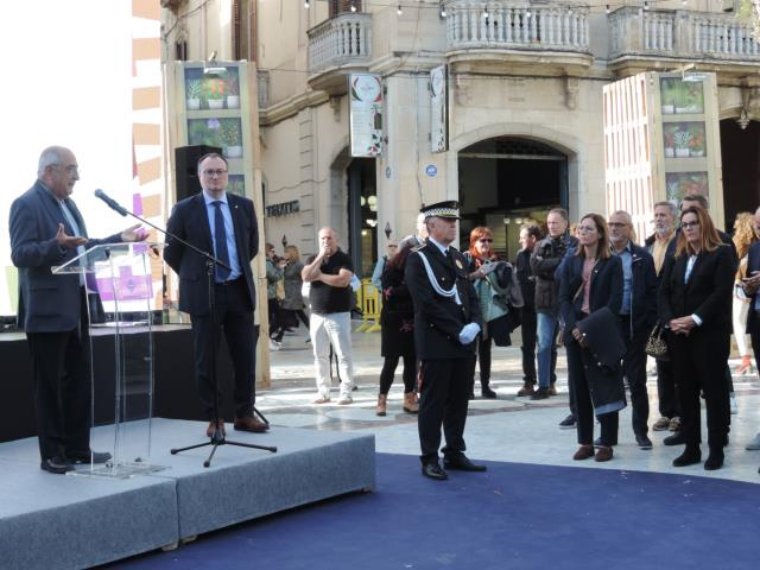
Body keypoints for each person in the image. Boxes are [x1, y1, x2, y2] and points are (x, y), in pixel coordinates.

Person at [9, 146, 145, 474]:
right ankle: (53, 454)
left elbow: (80, 247)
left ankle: (78, 449)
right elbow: (20, 255)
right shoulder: (25, 204)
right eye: (71, 170)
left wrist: (117, 238)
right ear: (49, 171)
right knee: (51, 386)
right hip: (46, 311)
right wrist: (55, 245)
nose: (77, 177)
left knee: (78, 382)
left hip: (76, 308)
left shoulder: (68, 204)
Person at [164, 152, 268, 438]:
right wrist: (195, 275)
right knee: (206, 360)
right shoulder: (185, 209)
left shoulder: (243, 207)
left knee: (245, 357)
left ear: (227, 175)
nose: (215, 177)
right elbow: (172, 252)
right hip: (204, 293)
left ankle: (244, 414)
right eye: (208, 172)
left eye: (220, 171)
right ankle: (214, 418)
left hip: (237, 290)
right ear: (199, 176)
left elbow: (251, 247)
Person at [405, 201, 485, 481]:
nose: (453, 225)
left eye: (454, 222)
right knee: (433, 402)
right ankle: (429, 457)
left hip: (463, 341)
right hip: (437, 341)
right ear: (430, 226)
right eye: (446, 221)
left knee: (458, 400)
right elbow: (425, 303)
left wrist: (476, 323)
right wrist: (457, 329)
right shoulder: (418, 258)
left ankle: (453, 450)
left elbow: (470, 294)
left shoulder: (458, 258)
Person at [658, 206, 735, 470]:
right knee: (686, 392)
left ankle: (716, 450)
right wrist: (671, 321)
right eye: (685, 224)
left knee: (714, 393)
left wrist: (695, 319)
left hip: (709, 335)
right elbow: (663, 291)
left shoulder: (721, 253)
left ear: (705, 225)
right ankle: (691, 448)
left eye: (693, 223)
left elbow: (721, 292)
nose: (688, 228)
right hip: (679, 335)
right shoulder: (678, 256)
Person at [558, 213, 624, 462]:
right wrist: (574, 327)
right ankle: (585, 441)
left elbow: (615, 303)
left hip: (601, 330)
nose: (583, 233)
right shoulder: (571, 262)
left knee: (606, 384)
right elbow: (563, 297)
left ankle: (606, 442)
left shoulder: (612, 263)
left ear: (599, 233)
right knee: (580, 387)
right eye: (580, 229)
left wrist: (588, 327)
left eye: (588, 228)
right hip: (575, 332)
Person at [608, 210, 658, 450]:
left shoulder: (641, 257)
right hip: (608, 327)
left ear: (629, 228)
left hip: (634, 327)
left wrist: (647, 324)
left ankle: (641, 431)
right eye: (611, 224)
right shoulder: (602, 255)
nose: (614, 228)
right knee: (609, 381)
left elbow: (652, 293)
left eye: (620, 224)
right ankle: (610, 433)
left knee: (637, 381)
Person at [530, 208, 577, 425]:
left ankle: (574, 384)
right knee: (544, 344)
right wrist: (559, 263)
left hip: (567, 301)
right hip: (545, 302)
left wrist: (554, 266)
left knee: (571, 343)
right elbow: (536, 267)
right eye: (549, 223)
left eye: (555, 222)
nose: (551, 226)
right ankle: (544, 384)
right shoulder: (540, 244)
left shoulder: (574, 244)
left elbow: (574, 269)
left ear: (566, 223)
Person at [464, 226, 523, 399]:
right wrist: (476, 274)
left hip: (491, 311)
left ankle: (485, 386)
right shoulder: (466, 260)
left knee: (485, 350)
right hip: (471, 312)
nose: (487, 244)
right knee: (470, 351)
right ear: (474, 242)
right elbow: (459, 281)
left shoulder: (497, 262)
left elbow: (506, 287)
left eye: (489, 240)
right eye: (483, 240)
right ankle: (468, 387)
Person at [301, 227, 356, 405]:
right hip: (317, 314)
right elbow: (306, 276)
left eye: (329, 238)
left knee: (343, 355)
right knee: (320, 355)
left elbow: (343, 281)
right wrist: (319, 258)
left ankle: (346, 391)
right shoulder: (312, 259)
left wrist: (321, 276)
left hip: (338, 314)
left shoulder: (344, 258)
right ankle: (323, 391)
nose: (326, 241)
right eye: (323, 239)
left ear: (336, 240)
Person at [644, 201, 681, 433]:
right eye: (656, 215)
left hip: (675, 312)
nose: (659, 219)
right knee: (661, 362)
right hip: (654, 315)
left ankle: (680, 413)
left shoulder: (680, 243)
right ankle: (666, 412)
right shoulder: (649, 245)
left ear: (674, 219)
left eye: (664, 215)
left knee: (679, 365)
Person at [377, 239, 418, 416]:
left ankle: (409, 399)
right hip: (393, 323)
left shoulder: (416, 272)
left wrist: (404, 290)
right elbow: (391, 294)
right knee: (390, 363)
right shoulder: (390, 271)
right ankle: (382, 399)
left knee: (411, 363)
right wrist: (406, 290)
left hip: (412, 322)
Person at [740, 207, 760, 451]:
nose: (758, 229)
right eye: (756, 225)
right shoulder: (754, 249)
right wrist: (750, 287)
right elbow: (748, 289)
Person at [731, 212, 759, 376]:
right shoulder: (755, 244)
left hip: (740, 286)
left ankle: (745, 359)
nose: (734, 227)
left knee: (739, 323)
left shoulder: (738, 244)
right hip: (747, 287)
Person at [515, 223, 541, 396]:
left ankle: (549, 382)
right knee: (528, 346)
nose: (520, 240)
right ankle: (529, 381)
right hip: (527, 308)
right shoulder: (520, 255)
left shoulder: (545, 252)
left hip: (545, 306)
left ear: (533, 239)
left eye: (523, 237)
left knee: (546, 346)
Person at [278, 244, 310, 337]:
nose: (284, 254)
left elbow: (305, 277)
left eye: (286, 252)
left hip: (295, 293)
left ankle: (278, 336)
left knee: (285, 314)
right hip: (287, 293)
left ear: (291, 253)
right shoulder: (287, 264)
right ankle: (314, 332)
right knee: (300, 315)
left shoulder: (299, 265)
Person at [264, 243, 284, 350]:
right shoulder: (267, 263)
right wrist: (280, 268)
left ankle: (267, 338)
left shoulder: (270, 263)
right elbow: (274, 277)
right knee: (278, 319)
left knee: (272, 319)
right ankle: (266, 338)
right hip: (269, 295)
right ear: (267, 251)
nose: (274, 253)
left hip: (270, 294)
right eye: (272, 251)